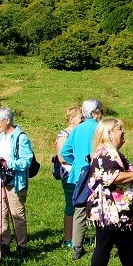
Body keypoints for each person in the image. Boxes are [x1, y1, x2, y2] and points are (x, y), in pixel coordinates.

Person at [86, 118, 133, 266]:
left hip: (120, 210)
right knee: (104, 244)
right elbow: (109, 177)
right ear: (109, 132)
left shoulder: (112, 151)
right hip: (109, 209)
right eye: (120, 129)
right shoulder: (105, 152)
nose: (123, 132)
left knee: (125, 240)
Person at [0, 107, 35, 258]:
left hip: (15, 181)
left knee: (17, 214)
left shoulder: (21, 137)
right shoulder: (0, 137)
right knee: (0, 213)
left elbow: (27, 160)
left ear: (7, 120)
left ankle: (22, 246)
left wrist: (8, 164)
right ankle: (4, 245)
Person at [60, 99, 103, 259]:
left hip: (79, 173)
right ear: (94, 113)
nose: (102, 114)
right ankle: (100, 244)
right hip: (97, 172)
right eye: (100, 111)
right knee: (100, 206)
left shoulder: (77, 129)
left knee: (79, 208)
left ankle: (77, 246)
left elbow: (64, 152)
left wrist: (77, 162)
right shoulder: (100, 128)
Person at [55, 106, 83, 249]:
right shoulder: (64, 134)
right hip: (69, 175)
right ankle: (68, 238)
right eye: (80, 117)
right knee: (71, 205)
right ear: (72, 119)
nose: (83, 119)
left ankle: (78, 236)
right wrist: (79, 162)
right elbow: (61, 157)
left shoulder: (80, 132)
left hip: (81, 173)